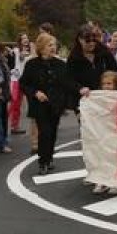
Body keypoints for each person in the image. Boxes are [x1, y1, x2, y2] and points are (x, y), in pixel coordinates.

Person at [19, 33, 79, 175]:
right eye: (49, 45)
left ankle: (49, 156)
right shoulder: (32, 64)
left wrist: (80, 89)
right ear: (41, 47)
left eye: (54, 45)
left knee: (52, 132)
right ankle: (43, 161)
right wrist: (35, 93)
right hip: (40, 105)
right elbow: (24, 84)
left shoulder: (60, 64)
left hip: (55, 104)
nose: (53, 48)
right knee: (44, 132)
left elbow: (68, 82)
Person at [69, 26, 117, 97]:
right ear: (80, 40)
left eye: (93, 40)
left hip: (104, 94)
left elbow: (115, 70)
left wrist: (112, 84)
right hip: (84, 97)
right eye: (87, 41)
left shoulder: (103, 51)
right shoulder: (74, 56)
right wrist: (79, 88)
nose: (91, 43)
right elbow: (69, 79)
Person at [7, 33, 33, 134]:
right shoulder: (16, 51)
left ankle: (15, 126)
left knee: (19, 105)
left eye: (27, 38)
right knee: (13, 103)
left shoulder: (29, 52)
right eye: (23, 39)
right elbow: (13, 64)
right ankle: (4, 122)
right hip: (16, 80)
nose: (26, 40)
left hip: (24, 80)